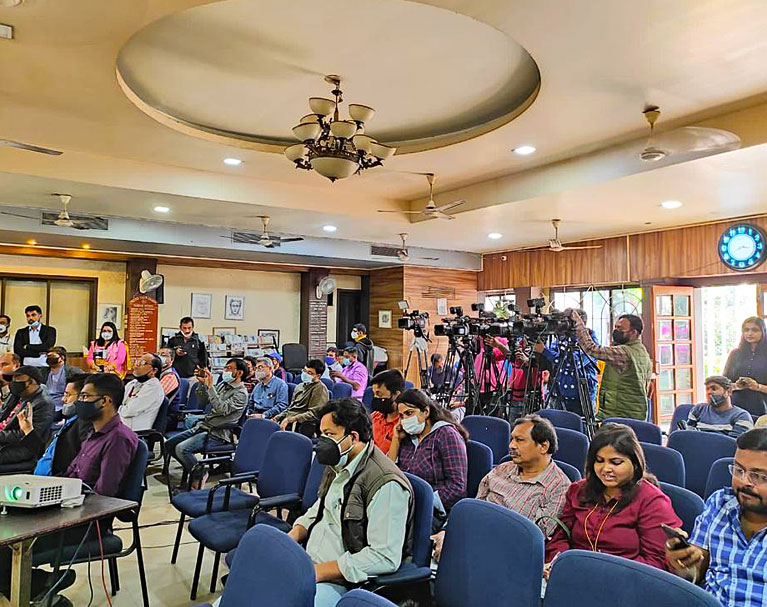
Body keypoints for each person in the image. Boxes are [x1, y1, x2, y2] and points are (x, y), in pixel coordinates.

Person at [0, 373, 137, 602]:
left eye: (84, 396)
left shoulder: (118, 439)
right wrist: (43, 492)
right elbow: (70, 476)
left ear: (105, 401)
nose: (78, 402)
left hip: (85, 523)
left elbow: (103, 495)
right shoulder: (93, 435)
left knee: (6, 544)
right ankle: (41, 585)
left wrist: (57, 505)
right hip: (66, 508)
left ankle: (40, 588)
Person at [289, 398, 413, 607]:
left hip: (340, 580)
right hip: (307, 561)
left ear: (353, 437)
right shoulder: (341, 459)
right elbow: (320, 507)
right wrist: (293, 536)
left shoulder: (385, 483)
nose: (322, 442)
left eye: (329, 435)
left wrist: (318, 572)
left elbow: (384, 556)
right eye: (321, 434)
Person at [545, 424, 682, 575]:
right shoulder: (579, 490)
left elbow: (657, 562)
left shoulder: (652, 501)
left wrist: (602, 573)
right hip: (574, 574)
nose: (605, 469)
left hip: (626, 581)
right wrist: (559, 561)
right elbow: (560, 536)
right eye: (599, 461)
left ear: (635, 463)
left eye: (616, 462)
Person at [431, 414, 571, 560]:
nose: (511, 445)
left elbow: (532, 538)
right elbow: (476, 509)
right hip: (473, 537)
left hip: (507, 555)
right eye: (512, 439)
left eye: (519, 440)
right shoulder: (502, 469)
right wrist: (449, 532)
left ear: (543, 446)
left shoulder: (558, 487)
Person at [666, 428, 767, 605]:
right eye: (739, 470)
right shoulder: (720, 503)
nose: (745, 482)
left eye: (759, 476)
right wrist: (684, 564)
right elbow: (697, 573)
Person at [389, 389, 468, 527]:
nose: (405, 420)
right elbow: (390, 471)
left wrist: (423, 501)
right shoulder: (408, 436)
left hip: (433, 510)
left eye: (409, 413)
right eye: (401, 416)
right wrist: (396, 440)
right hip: (403, 503)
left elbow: (457, 487)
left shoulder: (446, 435)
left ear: (426, 412)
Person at [165, 358, 248, 489]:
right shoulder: (222, 385)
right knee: (169, 445)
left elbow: (221, 409)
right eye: (225, 368)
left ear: (239, 373)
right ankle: (195, 469)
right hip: (204, 426)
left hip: (218, 434)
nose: (225, 371)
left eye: (229, 368)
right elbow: (203, 402)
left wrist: (210, 387)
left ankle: (199, 474)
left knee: (182, 449)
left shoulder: (241, 393)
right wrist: (203, 385)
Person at [571, 311, 652, 421]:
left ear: (633, 332)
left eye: (620, 329)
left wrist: (579, 324)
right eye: (616, 327)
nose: (616, 331)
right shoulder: (641, 351)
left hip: (620, 415)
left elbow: (591, 349)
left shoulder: (624, 353)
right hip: (634, 413)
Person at [18, 375, 91, 477]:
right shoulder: (68, 422)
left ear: (82, 398)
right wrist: (28, 430)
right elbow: (44, 454)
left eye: (68, 395)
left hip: (54, 484)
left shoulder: (81, 427)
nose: (63, 399)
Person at [534, 308, 599, 416]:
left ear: (579, 322)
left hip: (582, 398)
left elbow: (575, 363)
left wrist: (545, 351)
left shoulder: (590, 342)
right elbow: (549, 363)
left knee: (581, 430)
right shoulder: (561, 340)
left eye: (567, 320)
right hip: (559, 396)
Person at [0, 366, 55, 465]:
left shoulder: (44, 404)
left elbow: (27, 435)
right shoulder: (17, 394)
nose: (13, 383)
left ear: (32, 382)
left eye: (18, 380)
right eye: (13, 380)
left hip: (22, 448)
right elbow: (2, 413)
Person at [724, 316, 767, 419]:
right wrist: (736, 385)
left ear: (763, 332)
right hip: (735, 405)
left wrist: (757, 387)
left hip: (762, 407)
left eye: (755, 330)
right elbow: (723, 383)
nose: (749, 333)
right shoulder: (735, 354)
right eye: (746, 330)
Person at [273, 359, 330, 437]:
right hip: (289, 418)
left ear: (318, 375)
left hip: (301, 423)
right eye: (305, 371)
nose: (306, 374)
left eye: (310, 373)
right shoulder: (300, 386)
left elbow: (314, 414)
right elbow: (291, 407)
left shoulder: (319, 389)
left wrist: (291, 419)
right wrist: (278, 417)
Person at [686, 375, 753, 438]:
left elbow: (733, 445)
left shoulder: (741, 416)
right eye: (707, 389)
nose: (709, 392)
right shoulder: (698, 409)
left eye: (714, 388)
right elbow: (688, 436)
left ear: (728, 391)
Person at [119, 353, 165, 431]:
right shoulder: (132, 383)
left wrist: (117, 409)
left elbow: (128, 411)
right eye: (137, 362)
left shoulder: (154, 387)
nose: (136, 366)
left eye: (142, 363)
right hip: (120, 426)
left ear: (154, 370)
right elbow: (117, 402)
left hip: (135, 431)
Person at [370, 369, 404, 453]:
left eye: (379, 394)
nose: (375, 398)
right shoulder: (375, 416)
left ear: (396, 395)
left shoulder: (402, 425)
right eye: (374, 394)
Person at [41, 346, 81, 413]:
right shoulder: (43, 371)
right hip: (44, 403)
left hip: (62, 404)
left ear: (62, 358)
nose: (49, 358)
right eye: (48, 356)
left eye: (52, 356)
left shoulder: (73, 371)